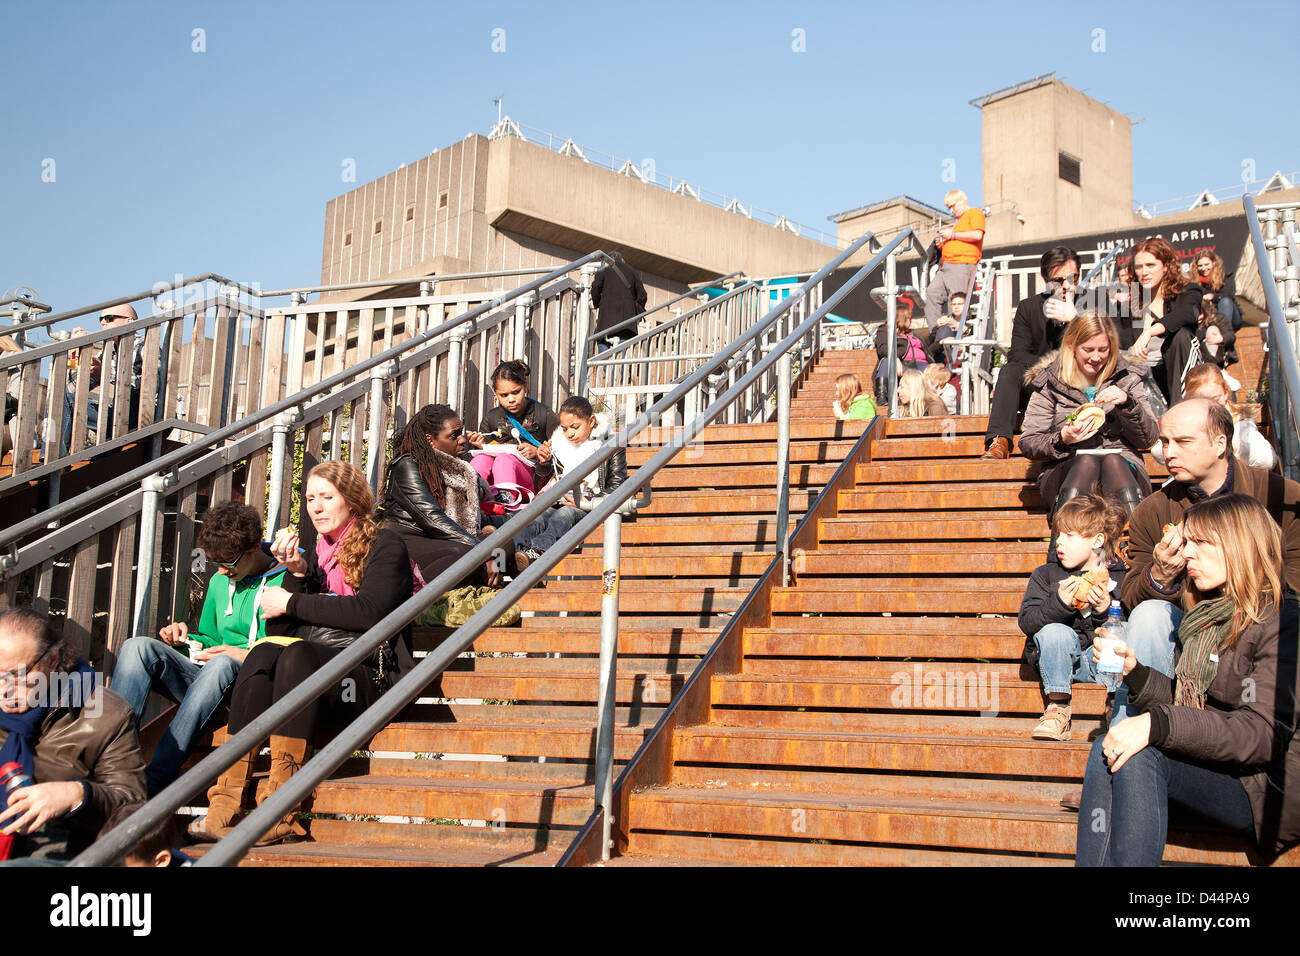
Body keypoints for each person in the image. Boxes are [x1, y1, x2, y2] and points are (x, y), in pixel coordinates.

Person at [188, 461, 416, 845]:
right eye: (310, 498)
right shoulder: (314, 558)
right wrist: (295, 573)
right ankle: (223, 807)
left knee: (296, 657)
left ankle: (280, 811)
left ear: (353, 501)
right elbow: (278, 631)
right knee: (263, 654)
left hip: (368, 681)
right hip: (313, 684)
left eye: (327, 497)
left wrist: (292, 602)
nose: (316, 507)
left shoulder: (385, 544)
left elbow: (370, 611)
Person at [1076, 494, 1300, 866]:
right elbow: (1195, 704)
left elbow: (1260, 734)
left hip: (1265, 787)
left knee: (1139, 750)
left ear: (1240, 545)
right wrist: (1138, 674)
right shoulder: (1208, 615)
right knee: (1109, 746)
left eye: (1200, 543)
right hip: (1220, 768)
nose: (1186, 554)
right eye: (1187, 542)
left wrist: (1157, 723)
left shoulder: (1283, 622)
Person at [1117, 398, 1300, 719]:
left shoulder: (1281, 498)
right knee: (1149, 613)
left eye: (1183, 442)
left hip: (1257, 634)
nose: (1169, 453)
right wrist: (1159, 576)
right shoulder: (1153, 510)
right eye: (1164, 442)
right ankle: (1134, 730)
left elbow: (1294, 582)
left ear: (1220, 443)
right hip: (1183, 636)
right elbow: (1131, 597)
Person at [111, 502, 292, 796]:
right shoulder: (221, 581)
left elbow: (290, 652)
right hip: (208, 682)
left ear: (255, 547)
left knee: (221, 665)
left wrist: (240, 656)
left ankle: (155, 781)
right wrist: (186, 640)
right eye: (215, 563)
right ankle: (115, 768)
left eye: (229, 563)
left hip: (252, 687)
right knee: (138, 647)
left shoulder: (287, 579)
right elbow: (210, 638)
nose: (221, 570)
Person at [0, 607, 146, 865]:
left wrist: (77, 795)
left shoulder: (105, 714)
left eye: (19, 675)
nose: (5, 689)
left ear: (52, 660)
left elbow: (133, 808)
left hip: (62, 851)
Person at [1018, 313, 1159, 517]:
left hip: (1123, 467)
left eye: (1103, 350)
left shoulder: (1127, 378)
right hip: (1066, 469)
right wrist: (1062, 438)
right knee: (1086, 462)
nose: (1096, 357)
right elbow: (1029, 442)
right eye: (1088, 350)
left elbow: (1149, 438)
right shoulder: (1050, 381)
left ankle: (1132, 542)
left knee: (1113, 461)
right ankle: (1063, 542)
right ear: (1072, 346)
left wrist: (1128, 404)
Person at [1019, 495, 1128, 741]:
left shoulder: (1119, 577)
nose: (1060, 542)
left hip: (1102, 664)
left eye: (1070, 535)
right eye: (1058, 535)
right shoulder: (1046, 575)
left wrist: (1105, 609)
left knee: (1124, 630)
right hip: (1061, 662)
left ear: (1097, 540)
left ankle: (1117, 706)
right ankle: (1058, 709)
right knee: (1054, 631)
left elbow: (1128, 627)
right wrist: (1058, 604)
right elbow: (1027, 621)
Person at [379, 404, 504, 589]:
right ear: (430, 440)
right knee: (463, 555)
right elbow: (432, 519)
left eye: (461, 433)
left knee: (502, 542)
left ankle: (491, 578)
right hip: (409, 538)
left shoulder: (459, 469)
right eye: (454, 435)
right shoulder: (408, 465)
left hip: (441, 539)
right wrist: (481, 551)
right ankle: (417, 591)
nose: (462, 440)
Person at [982, 247, 1082, 460]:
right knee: (1010, 371)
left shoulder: (1089, 303)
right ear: (1045, 278)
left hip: (1080, 386)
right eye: (1058, 280)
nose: (1065, 286)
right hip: (1040, 384)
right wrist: (1050, 370)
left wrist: (1075, 320)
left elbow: (1103, 350)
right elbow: (1017, 354)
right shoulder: (1029, 307)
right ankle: (999, 440)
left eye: (1072, 279)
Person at [513, 396, 627, 561]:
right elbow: (545, 481)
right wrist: (543, 463)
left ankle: (537, 551)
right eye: (565, 429)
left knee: (564, 515)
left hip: (589, 507)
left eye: (575, 427)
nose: (570, 434)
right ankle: (512, 552)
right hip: (559, 501)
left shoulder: (611, 446)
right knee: (538, 517)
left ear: (592, 421)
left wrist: (587, 501)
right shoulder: (560, 445)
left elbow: (618, 485)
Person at [467, 360, 562, 509]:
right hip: (493, 485)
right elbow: (489, 450)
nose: (511, 399)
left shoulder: (544, 414)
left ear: (525, 386)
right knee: (481, 458)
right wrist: (481, 445)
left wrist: (538, 452)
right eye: (504, 395)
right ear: (495, 393)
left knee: (505, 459)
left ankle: (508, 506)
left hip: (532, 480)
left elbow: (564, 452)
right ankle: (468, 498)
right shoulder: (491, 418)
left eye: (516, 392)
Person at [59, 304, 148, 457]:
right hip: (117, 416)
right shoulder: (107, 350)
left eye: (109, 318)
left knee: (132, 395)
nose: (103, 323)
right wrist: (76, 351)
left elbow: (149, 386)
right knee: (62, 399)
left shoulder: (144, 346)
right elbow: (71, 390)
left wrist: (107, 375)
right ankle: (54, 458)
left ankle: (102, 454)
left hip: (143, 414)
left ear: (129, 321)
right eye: (101, 319)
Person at [1128, 237, 1203, 404]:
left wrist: (1150, 331)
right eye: (1139, 267)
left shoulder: (1188, 293)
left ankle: (1183, 409)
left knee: (1181, 336)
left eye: (1150, 265)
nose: (1144, 272)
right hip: (1149, 384)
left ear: (1167, 266)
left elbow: (1188, 313)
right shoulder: (1131, 306)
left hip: (1187, 377)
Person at [1179, 364, 1276, 470]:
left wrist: (1238, 447)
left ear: (1225, 393)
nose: (1209, 407)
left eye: (1215, 399)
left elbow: (1269, 460)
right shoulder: (1186, 422)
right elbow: (1159, 451)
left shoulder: (1240, 425)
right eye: (1200, 401)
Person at [924, 190, 985, 325]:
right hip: (947, 266)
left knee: (957, 302)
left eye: (953, 206)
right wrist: (943, 244)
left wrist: (952, 235)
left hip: (962, 263)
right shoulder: (960, 222)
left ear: (962, 202)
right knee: (931, 294)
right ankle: (937, 334)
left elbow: (977, 235)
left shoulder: (975, 213)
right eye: (949, 208)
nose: (951, 210)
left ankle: (956, 337)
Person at [590, 251, 648, 352]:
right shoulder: (632, 271)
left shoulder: (603, 269)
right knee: (622, 348)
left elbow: (596, 287)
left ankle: (604, 366)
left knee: (602, 342)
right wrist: (636, 310)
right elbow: (642, 296)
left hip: (606, 319)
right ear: (622, 260)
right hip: (626, 321)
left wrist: (596, 303)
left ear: (608, 259)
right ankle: (621, 367)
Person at [872, 306, 929, 405]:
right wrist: (895, 358)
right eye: (909, 319)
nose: (911, 321)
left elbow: (929, 350)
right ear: (902, 318)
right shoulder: (886, 330)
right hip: (903, 365)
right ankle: (882, 399)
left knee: (933, 370)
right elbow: (882, 348)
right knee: (886, 361)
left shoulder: (913, 334)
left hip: (921, 366)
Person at [1193, 250, 1242, 333]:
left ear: (1214, 263)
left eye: (1206, 264)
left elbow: (1229, 295)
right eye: (1200, 266)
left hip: (1229, 314)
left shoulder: (1225, 276)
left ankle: (1223, 334)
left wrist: (1212, 297)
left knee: (1225, 301)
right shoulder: (1193, 282)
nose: (1203, 268)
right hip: (1207, 316)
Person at [926, 291, 965, 364]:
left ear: (966, 306)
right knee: (944, 329)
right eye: (953, 304)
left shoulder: (971, 321)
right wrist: (937, 327)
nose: (956, 307)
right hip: (943, 354)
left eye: (960, 304)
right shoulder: (945, 321)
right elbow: (930, 345)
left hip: (961, 355)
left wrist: (965, 330)